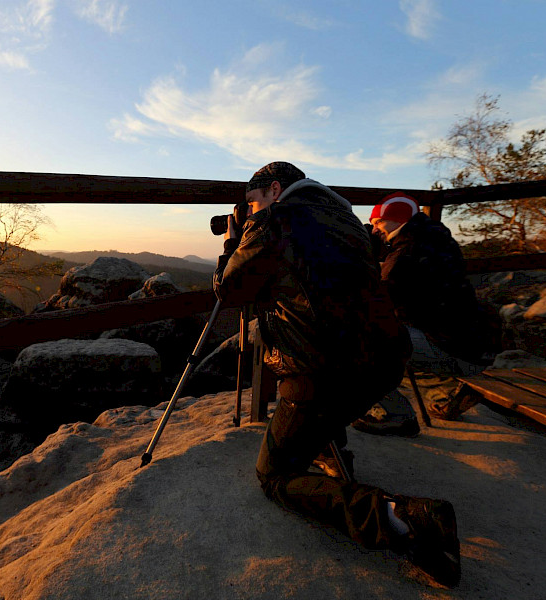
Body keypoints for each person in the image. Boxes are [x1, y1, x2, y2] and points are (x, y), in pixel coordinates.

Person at [213, 162, 461, 587]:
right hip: (385, 365)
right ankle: (329, 450)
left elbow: (230, 289)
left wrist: (235, 242)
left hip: (324, 371)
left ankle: (401, 519)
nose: (250, 209)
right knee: (322, 408)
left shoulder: (273, 221)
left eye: (252, 201)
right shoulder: (349, 221)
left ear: (274, 190)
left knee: (274, 476)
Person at [358, 192, 501, 424]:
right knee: (396, 344)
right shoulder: (433, 239)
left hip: (455, 349)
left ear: (399, 219)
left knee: (360, 344)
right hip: (472, 342)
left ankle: (397, 414)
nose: (375, 230)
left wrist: (366, 257)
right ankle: (445, 395)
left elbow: (379, 305)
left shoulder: (406, 255)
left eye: (378, 223)